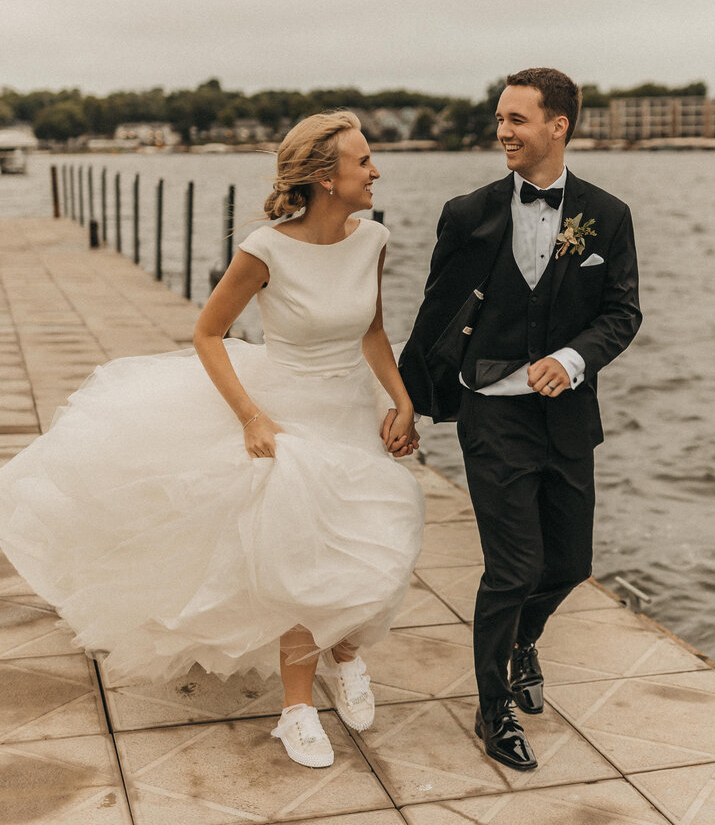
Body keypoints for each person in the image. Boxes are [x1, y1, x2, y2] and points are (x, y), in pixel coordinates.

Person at [0, 110, 424, 770]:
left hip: (349, 411)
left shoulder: (372, 239)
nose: (376, 170)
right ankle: (296, 710)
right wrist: (251, 417)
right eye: (363, 160)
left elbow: (371, 330)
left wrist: (401, 399)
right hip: (287, 413)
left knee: (378, 543)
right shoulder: (266, 249)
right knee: (299, 555)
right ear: (324, 176)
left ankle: (346, 657)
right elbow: (207, 334)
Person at [399, 68, 641, 771]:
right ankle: (494, 707)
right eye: (500, 119)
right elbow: (436, 315)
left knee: (569, 562)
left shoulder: (608, 215)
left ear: (558, 125)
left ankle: (524, 641)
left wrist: (573, 358)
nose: (503, 131)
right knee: (512, 567)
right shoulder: (466, 213)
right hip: (491, 413)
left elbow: (622, 313)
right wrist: (409, 402)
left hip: (567, 416)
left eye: (518, 120)